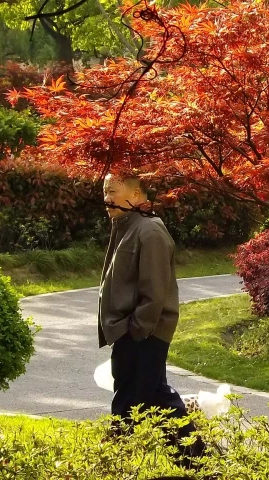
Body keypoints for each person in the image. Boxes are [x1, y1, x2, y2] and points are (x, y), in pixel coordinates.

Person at [98, 172, 204, 462]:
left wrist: (136, 330)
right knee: (153, 399)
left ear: (134, 195)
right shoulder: (126, 225)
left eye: (112, 191)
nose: (106, 198)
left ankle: (116, 462)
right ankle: (197, 464)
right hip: (133, 333)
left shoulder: (150, 231)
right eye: (105, 191)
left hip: (143, 334)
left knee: (132, 402)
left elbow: (155, 293)